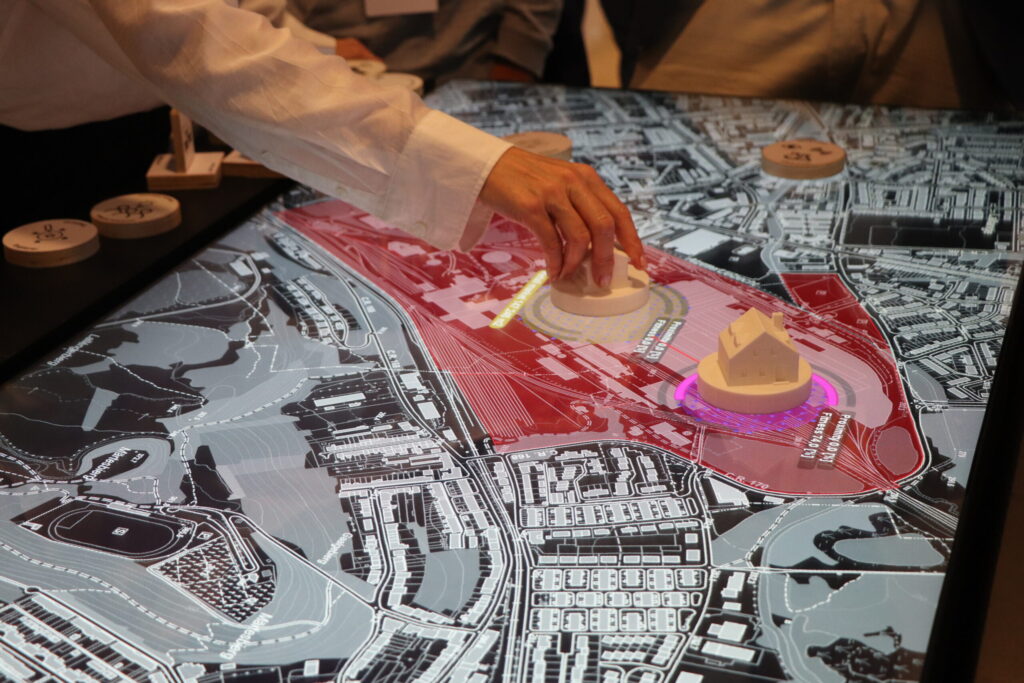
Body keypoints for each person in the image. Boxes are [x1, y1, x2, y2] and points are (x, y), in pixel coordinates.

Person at [0, 0, 644, 287]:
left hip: (161, 110)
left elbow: (229, 15)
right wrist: (475, 163)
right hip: (45, 154)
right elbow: (182, 34)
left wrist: (317, 48)